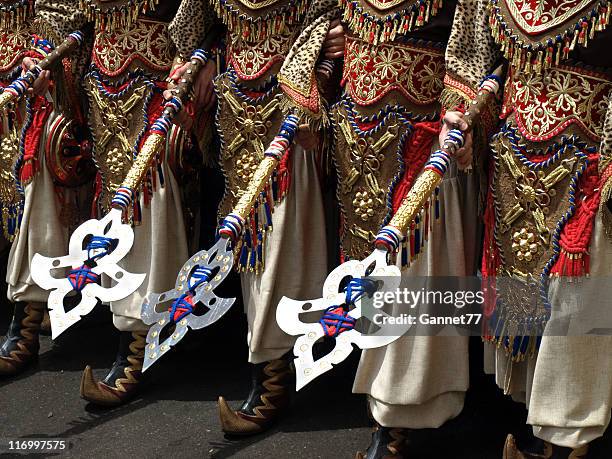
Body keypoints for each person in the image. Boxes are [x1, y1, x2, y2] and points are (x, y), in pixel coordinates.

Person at [30, 0, 219, 406]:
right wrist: (53, 62)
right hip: (104, 82)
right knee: (117, 204)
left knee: (149, 201)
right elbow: (63, 13)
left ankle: (133, 346)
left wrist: (203, 58)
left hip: (164, 80)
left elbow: (208, 15)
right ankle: (138, 327)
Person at [332, 1, 499, 456]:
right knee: (370, 271)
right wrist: (323, 50)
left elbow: (476, 41)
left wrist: (466, 112)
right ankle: (379, 403)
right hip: (359, 128)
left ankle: (397, 417)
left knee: (413, 280)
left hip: (428, 130)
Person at [167, 0, 341, 436]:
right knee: (249, 241)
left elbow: (343, 18)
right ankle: (268, 367)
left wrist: (321, 60)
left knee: (281, 238)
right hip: (237, 104)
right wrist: (200, 60)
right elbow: (193, 25)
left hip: (295, 103)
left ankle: (269, 375)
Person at [449, 1, 612, 457]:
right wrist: (469, 122)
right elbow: (485, 62)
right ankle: (547, 430)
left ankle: (562, 441)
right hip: (517, 157)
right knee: (532, 299)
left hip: (592, 158)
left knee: (575, 302)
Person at [0, 0, 93, 376]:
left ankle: (25, 322)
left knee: (37, 174)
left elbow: (66, 18)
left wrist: (41, 59)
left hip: (38, 75)